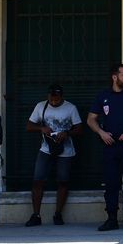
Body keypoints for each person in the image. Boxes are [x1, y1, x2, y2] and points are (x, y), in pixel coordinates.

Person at [87, 64, 123, 232]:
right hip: (109, 146)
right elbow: (91, 119)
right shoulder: (103, 96)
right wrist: (101, 133)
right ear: (114, 77)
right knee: (111, 184)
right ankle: (111, 219)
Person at [25, 84, 83, 226]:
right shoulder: (41, 106)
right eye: (52, 99)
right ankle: (36, 215)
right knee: (37, 180)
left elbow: (80, 129)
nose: (54, 102)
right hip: (46, 148)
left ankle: (58, 214)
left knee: (63, 181)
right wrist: (42, 128)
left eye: (57, 100)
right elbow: (29, 126)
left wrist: (67, 133)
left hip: (66, 149)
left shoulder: (71, 108)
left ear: (62, 97)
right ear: (48, 96)